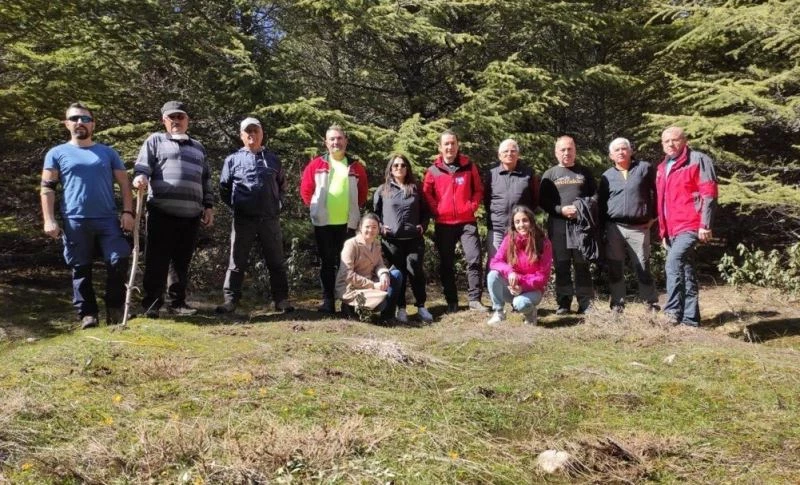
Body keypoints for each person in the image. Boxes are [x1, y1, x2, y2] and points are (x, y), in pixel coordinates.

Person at [40, 102, 134, 329]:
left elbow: (124, 183)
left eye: (85, 119)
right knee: (80, 267)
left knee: (118, 260)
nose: (79, 123)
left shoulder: (107, 152)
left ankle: (115, 309)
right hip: (75, 220)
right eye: (74, 119)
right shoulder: (57, 153)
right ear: (66, 124)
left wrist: (128, 212)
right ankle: (88, 314)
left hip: (108, 219)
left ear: (93, 124)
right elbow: (47, 187)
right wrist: (49, 219)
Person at [132, 101, 214, 317]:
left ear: (187, 120)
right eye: (172, 118)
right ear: (164, 121)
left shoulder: (198, 147)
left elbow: (205, 179)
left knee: (181, 261)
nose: (176, 121)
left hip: (191, 214)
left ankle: (177, 303)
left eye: (180, 117)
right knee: (156, 260)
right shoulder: (155, 141)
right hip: (161, 211)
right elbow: (142, 167)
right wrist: (140, 177)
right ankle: (152, 305)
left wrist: (208, 206)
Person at [215, 117, 293, 314]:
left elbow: (282, 186)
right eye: (247, 132)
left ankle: (281, 300)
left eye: (255, 131)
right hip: (243, 220)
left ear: (261, 133)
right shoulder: (232, 160)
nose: (252, 135)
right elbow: (224, 188)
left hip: (269, 219)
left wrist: (278, 204)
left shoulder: (273, 159)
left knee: (276, 261)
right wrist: (238, 206)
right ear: (241, 136)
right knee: (236, 261)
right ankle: (230, 301)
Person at [300, 124, 369, 314]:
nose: (336, 142)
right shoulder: (316, 165)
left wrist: (354, 211)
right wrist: (315, 209)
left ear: (345, 141)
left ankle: (347, 302)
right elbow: (306, 189)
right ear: (326, 142)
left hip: (348, 223)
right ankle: (328, 301)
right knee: (327, 263)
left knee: (347, 264)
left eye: (339, 138)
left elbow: (362, 193)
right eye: (332, 139)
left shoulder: (355, 167)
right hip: (323, 224)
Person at [656, 126, 718, 327]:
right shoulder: (662, 167)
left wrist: (705, 224)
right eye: (666, 141)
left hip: (691, 225)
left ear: (684, 140)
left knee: (672, 263)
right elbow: (663, 201)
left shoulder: (698, 160)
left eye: (675, 140)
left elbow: (709, 193)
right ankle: (691, 319)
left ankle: (672, 313)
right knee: (686, 270)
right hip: (671, 229)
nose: (670, 144)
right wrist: (663, 231)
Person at [422, 130, 487, 313]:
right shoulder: (433, 170)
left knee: (474, 258)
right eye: (446, 144)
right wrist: (437, 210)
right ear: (440, 147)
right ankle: (452, 301)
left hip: (467, 221)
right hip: (444, 223)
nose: (450, 147)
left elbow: (478, 190)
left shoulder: (468, 166)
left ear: (458, 145)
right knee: (446, 263)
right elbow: (427, 193)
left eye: (453, 143)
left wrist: (471, 206)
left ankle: (475, 299)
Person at [597, 137, 659, 313]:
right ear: (611, 155)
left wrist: (654, 215)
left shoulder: (644, 169)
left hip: (639, 227)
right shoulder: (607, 176)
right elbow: (602, 204)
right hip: (613, 227)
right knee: (615, 267)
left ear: (631, 151)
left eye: (624, 148)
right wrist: (601, 230)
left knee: (643, 265)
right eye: (617, 150)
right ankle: (617, 303)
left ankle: (651, 303)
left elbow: (658, 192)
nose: (621, 152)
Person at [540, 135, 597, 314]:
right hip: (558, 225)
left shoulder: (584, 172)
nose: (566, 153)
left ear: (575, 150)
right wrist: (560, 210)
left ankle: (585, 302)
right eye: (562, 149)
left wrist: (581, 208)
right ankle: (563, 302)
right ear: (556, 152)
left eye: (569, 149)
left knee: (582, 263)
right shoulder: (550, 174)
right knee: (562, 264)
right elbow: (543, 201)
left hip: (580, 225)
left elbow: (596, 196)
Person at [374, 154, 433, 323]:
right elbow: (375, 213)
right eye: (395, 166)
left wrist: (423, 225)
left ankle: (421, 306)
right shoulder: (383, 189)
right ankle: (401, 309)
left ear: (407, 168)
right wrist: (380, 227)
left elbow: (426, 211)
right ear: (390, 169)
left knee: (416, 272)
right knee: (398, 275)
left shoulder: (416, 188)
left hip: (413, 239)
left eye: (402, 165)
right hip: (392, 241)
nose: (399, 168)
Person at [486, 205, 552, 325]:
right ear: (513, 224)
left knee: (520, 303)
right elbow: (495, 262)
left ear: (531, 221)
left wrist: (521, 285)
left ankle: (530, 313)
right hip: (512, 288)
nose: (521, 225)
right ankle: (499, 312)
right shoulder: (509, 239)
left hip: (532, 289)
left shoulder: (543, 242)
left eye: (524, 220)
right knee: (493, 275)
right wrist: (510, 271)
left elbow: (543, 277)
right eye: (517, 222)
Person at [335, 213, 403, 323]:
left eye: (374, 227)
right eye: (367, 227)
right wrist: (373, 285)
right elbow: (347, 274)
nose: (370, 230)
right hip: (351, 286)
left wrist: (383, 274)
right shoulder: (351, 244)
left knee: (396, 275)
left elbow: (379, 264)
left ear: (378, 229)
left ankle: (387, 317)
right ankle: (349, 308)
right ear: (360, 227)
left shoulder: (376, 243)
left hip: (371, 282)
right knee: (382, 302)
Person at [484, 138, 539, 262]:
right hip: (497, 228)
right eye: (506, 151)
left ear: (518, 154)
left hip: (521, 228)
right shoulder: (491, 174)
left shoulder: (528, 174)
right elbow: (486, 199)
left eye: (513, 151)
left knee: (521, 264)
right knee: (495, 265)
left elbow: (535, 199)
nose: (509, 154)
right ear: (499, 155)